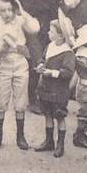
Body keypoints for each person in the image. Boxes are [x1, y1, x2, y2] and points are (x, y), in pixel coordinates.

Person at [9, 0, 65, 113]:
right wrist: (21, 17)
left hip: (48, 21)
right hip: (30, 20)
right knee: (34, 56)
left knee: (46, 57)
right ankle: (32, 99)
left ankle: (42, 96)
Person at [0, 0, 40, 150]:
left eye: (10, 9)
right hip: (3, 65)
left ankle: (20, 135)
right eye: (3, 10)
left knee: (21, 101)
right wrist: (0, 48)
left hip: (19, 62)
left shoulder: (19, 21)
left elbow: (35, 28)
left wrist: (21, 10)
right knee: (1, 101)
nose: (7, 13)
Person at [33, 16, 78, 158]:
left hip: (58, 90)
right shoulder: (50, 47)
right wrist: (41, 65)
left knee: (59, 116)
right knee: (47, 114)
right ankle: (49, 141)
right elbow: (43, 58)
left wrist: (51, 72)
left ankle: (60, 144)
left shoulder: (68, 52)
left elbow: (68, 72)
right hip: (46, 88)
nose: (48, 33)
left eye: (51, 32)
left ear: (60, 36)